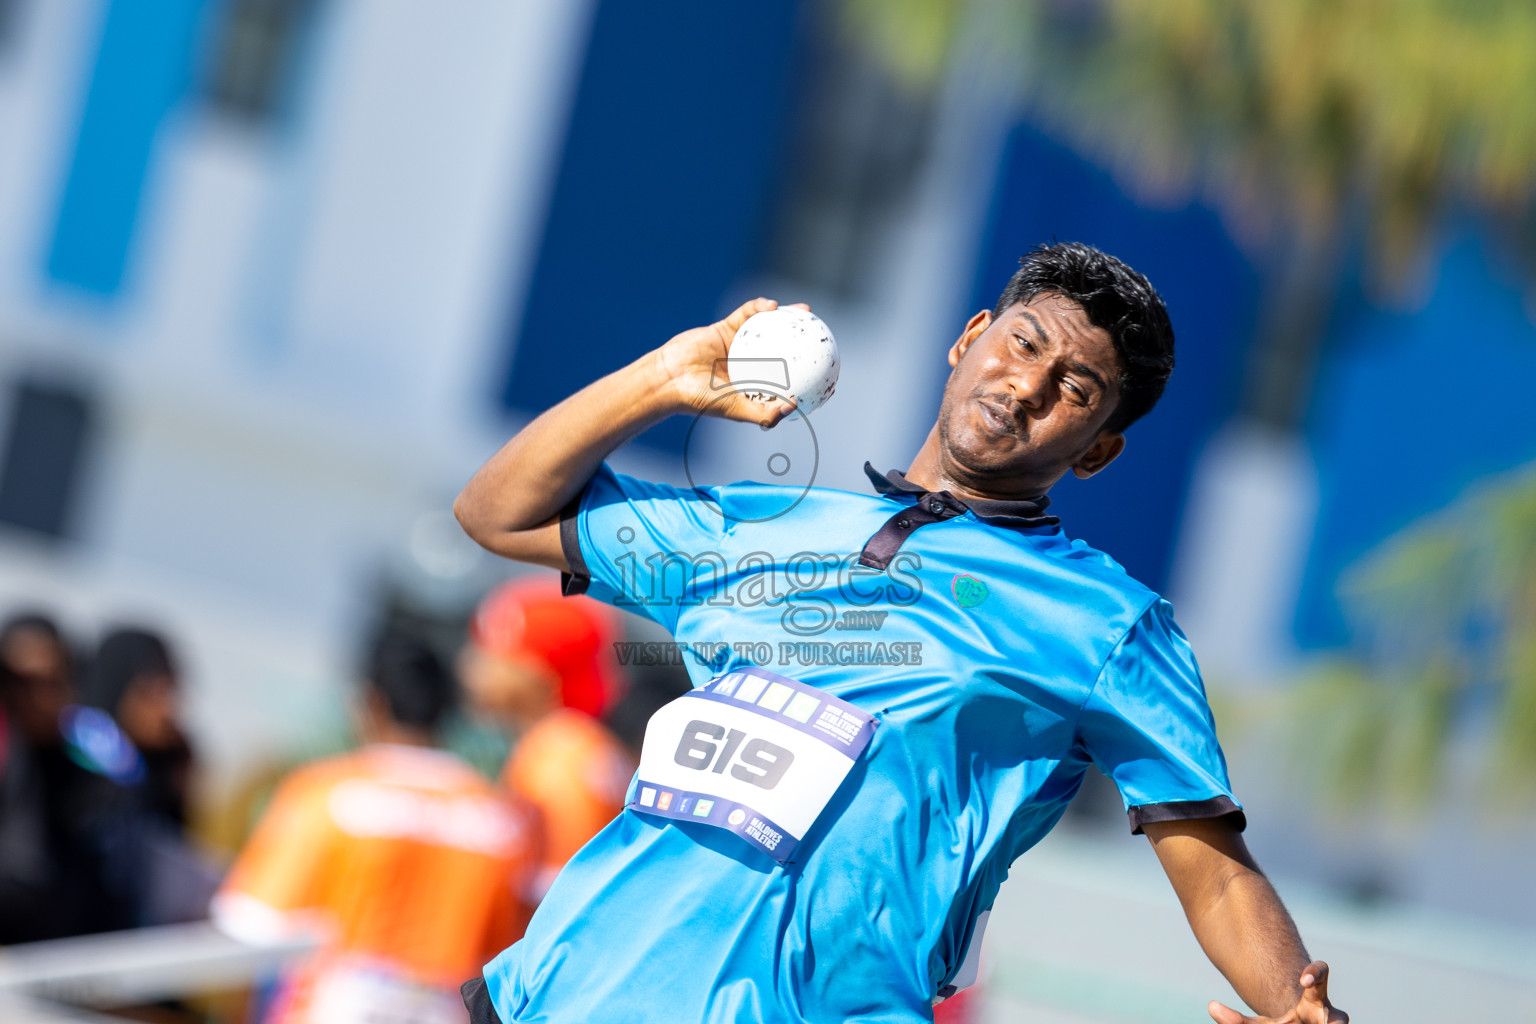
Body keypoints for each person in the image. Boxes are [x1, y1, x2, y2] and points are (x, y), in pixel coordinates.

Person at [453, 242, 1348, 1024]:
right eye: (1022, 343)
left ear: (1098, 451)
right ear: (969, 339)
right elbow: (496, 512)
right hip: (567, 994)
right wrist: (662, 380)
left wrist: (1292, 1003)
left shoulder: (1106, 624)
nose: (1027, 385)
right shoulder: (754, 527)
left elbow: (1218, 869)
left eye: (1076, 389)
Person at [213, 631, 540, 1024]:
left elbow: (252, 926)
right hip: (446, 1010)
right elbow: (508, 951)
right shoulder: (502, 821)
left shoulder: (326, 795)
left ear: (372, 704)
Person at [459, 578, 635, 899]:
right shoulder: (579, 745)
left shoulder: (556, 759)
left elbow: (556, 892)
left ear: (542, 670)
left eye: (496, 650)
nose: (472, 666)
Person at [83, 628, 196, 831]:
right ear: (118, 686)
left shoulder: (159, 774)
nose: (167, 710)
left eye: (171, 690)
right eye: (155, 691)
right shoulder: (74, 769)